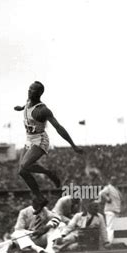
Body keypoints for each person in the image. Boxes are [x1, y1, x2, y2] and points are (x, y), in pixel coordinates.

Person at [14, 81, 84, 213]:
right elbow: (26, 106)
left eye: (32, 90)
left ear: (39, 93)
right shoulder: (28, 101)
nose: (29, 92)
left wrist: (73, 145)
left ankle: (49, 173)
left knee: (25, 166)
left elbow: (58, 127)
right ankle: (40, 197)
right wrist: (21, 108)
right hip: (29, 139)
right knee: (21, 171)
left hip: (40, 140)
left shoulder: (43, 110)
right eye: (29, 89)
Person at [98, 176, 121, 243]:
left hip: (115, 210)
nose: (115, 181)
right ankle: (108, 242)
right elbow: (101, 193)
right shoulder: (108, 187)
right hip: (110, 210)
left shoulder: (115, 188)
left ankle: (112, 242)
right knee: (110, 227)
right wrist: (107, 198)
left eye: (115, 180)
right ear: (111, 181)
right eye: (113, 180)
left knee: (114, 228)